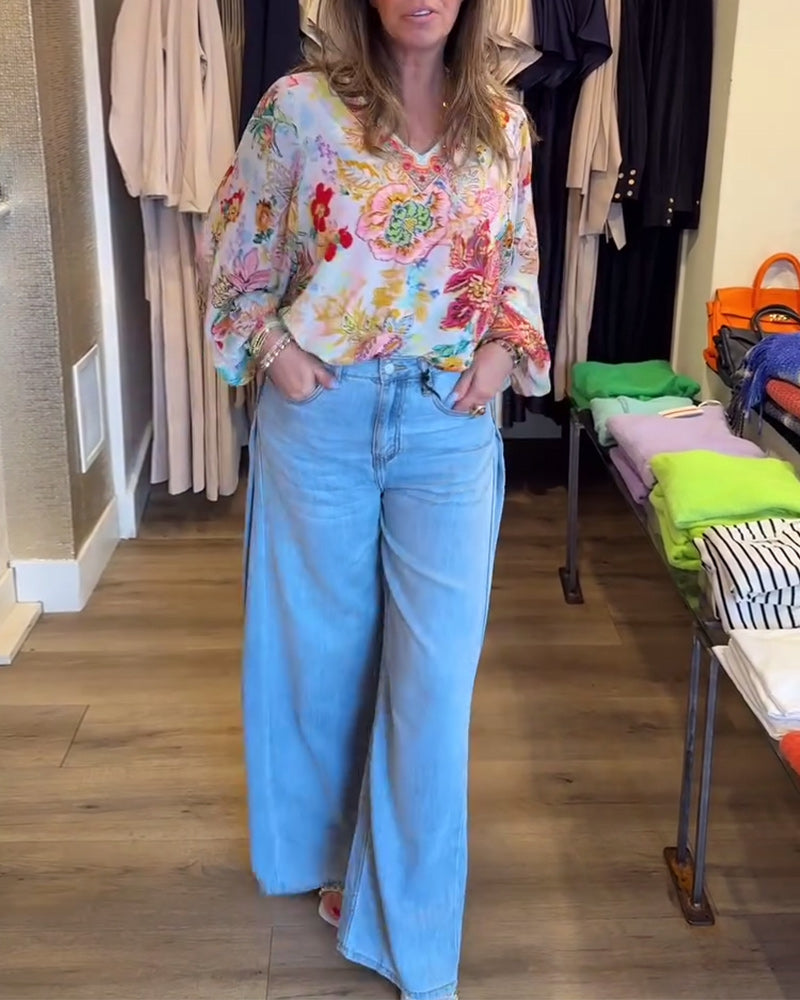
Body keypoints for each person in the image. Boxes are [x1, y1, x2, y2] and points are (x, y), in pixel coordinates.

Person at [200, 1, 550, 996]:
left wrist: (502, 350)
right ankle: (337, 860)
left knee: (432, 684)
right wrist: (271, 349)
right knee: (324, 660)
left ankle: (415, 944)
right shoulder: (298, 110)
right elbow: (235, 254)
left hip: (446, 425)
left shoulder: (504, 124)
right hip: (324, 414)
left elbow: (515, 265)